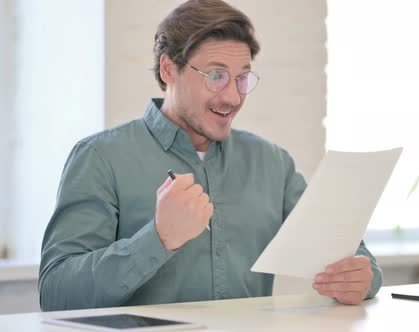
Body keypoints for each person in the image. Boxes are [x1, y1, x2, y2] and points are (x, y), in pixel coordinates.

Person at [38, 0, 382, 311]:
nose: (232, 97)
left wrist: (362, 279)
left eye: (243, 78)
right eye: (216, 76)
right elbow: (56, 293)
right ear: (169, 69)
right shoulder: (101, 158)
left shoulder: (272, 164)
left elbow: (350, 253)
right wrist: (158, 239)